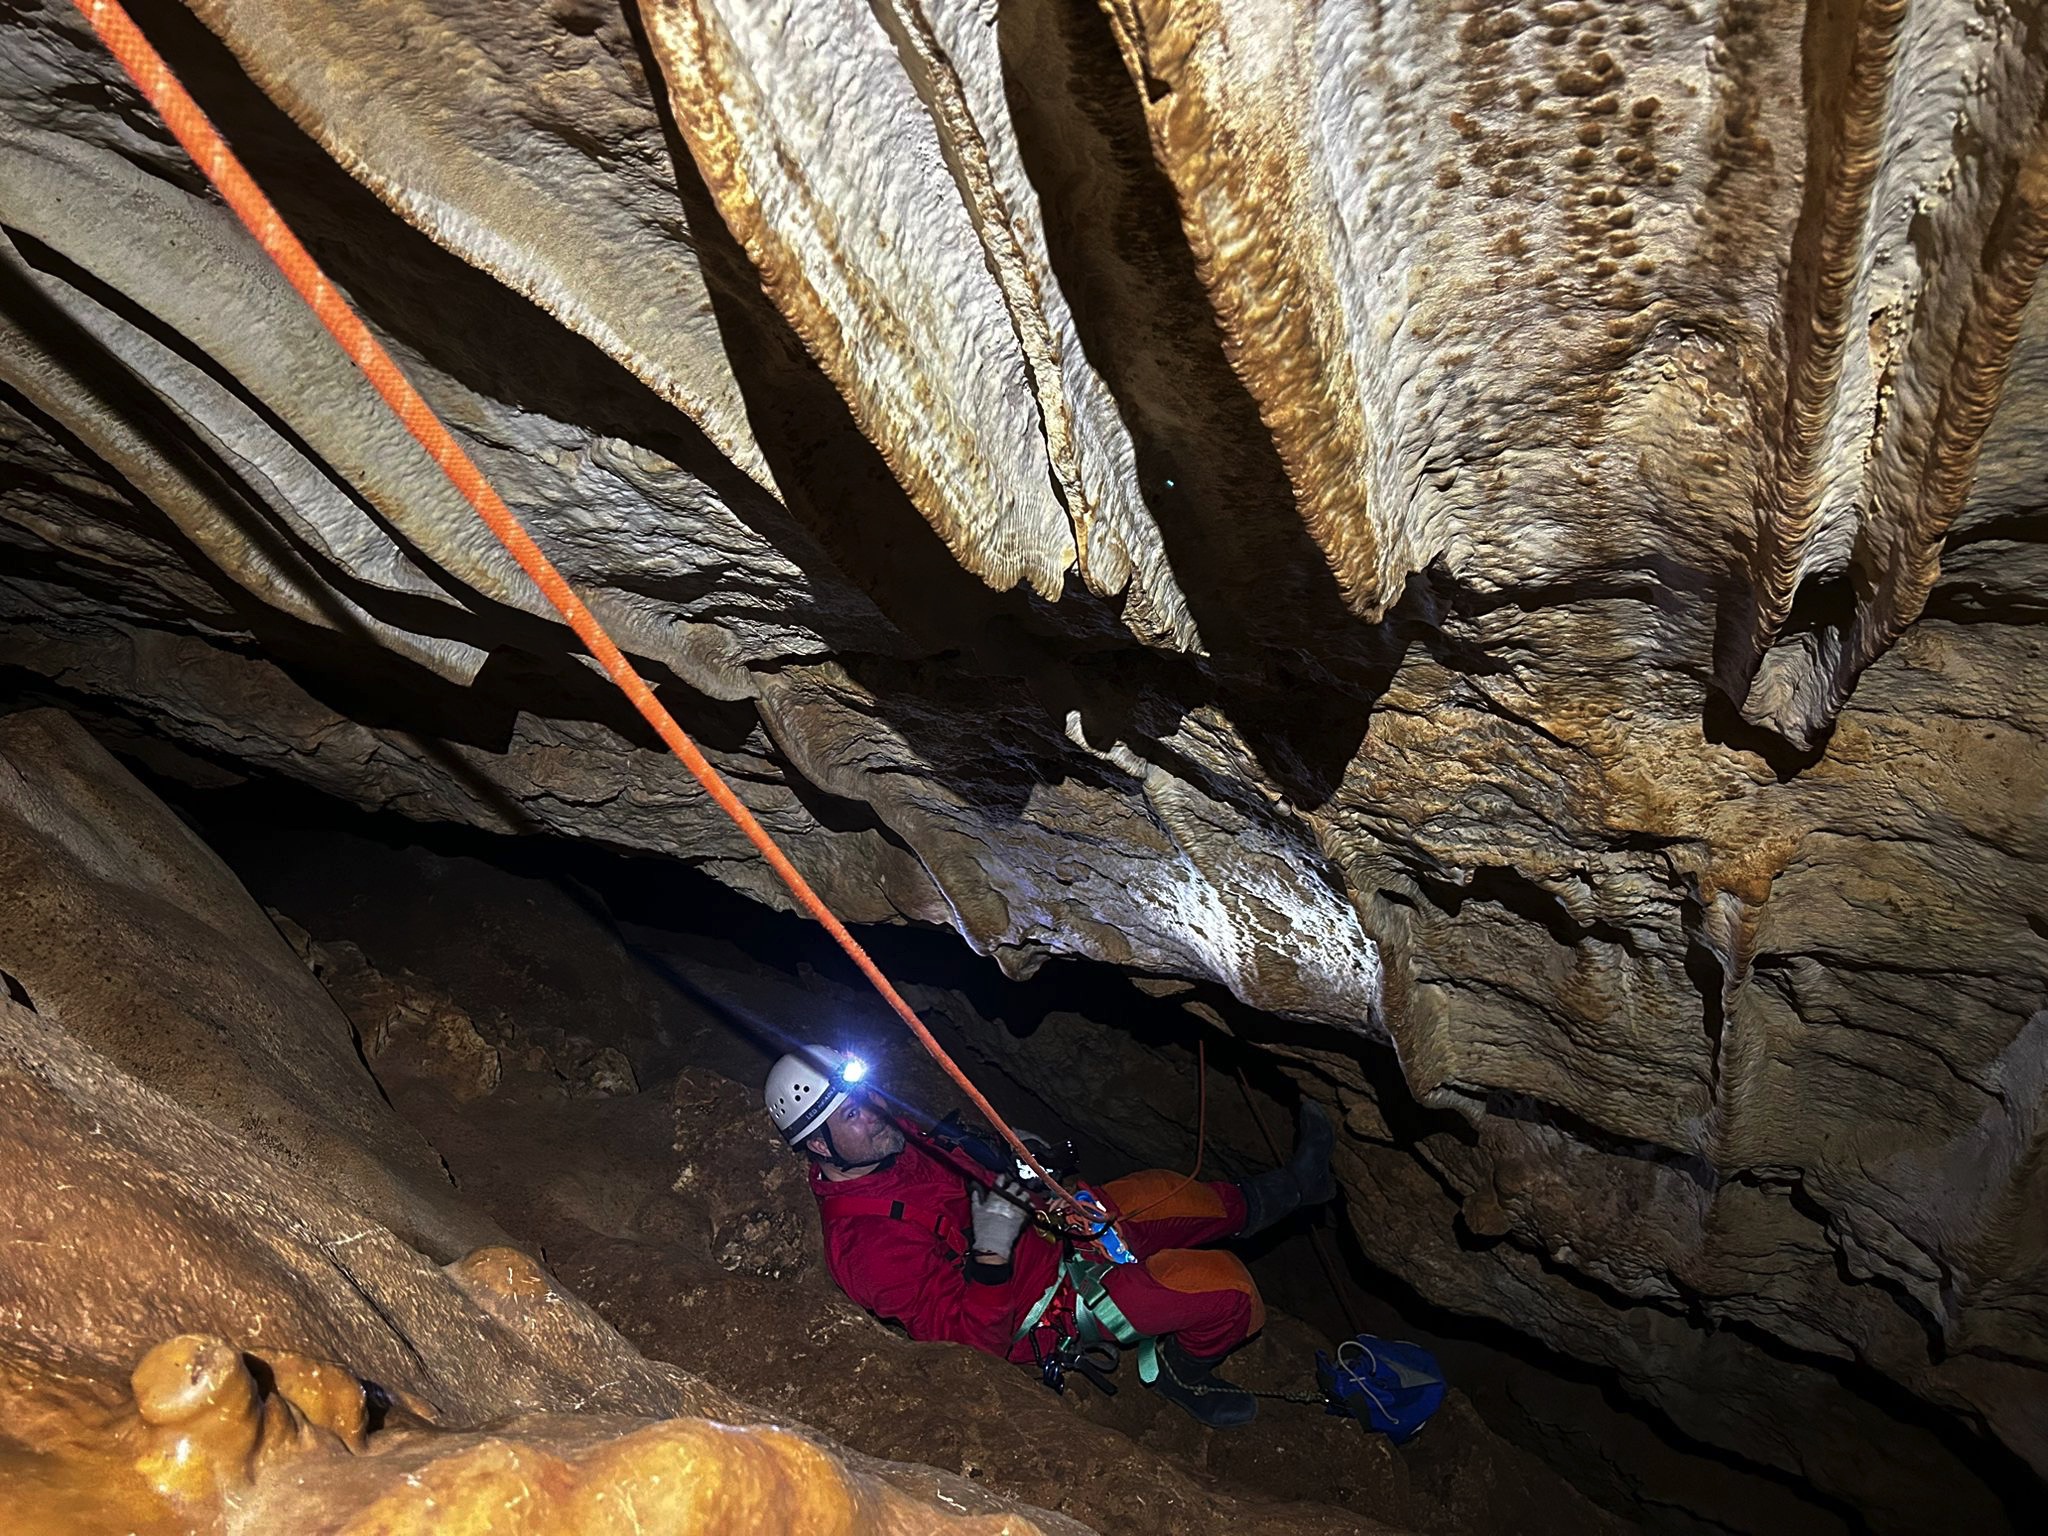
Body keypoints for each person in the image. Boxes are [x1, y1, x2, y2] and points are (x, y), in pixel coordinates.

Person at [764, 1046, 1335, 1426]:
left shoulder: (888, 1139)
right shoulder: (866, 1246)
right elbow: (970, 1347)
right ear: (818, 1144)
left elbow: (973, 1167)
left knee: (1171, 1192)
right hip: (1052, 1306)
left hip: (1054, 1227)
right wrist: (992, 1252)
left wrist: (1020, 1165)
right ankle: (1181, 1372)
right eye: (853, 1115)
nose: (876, 1112)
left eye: (868, 1096)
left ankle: (1297, 1187)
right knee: (1227, 1289)